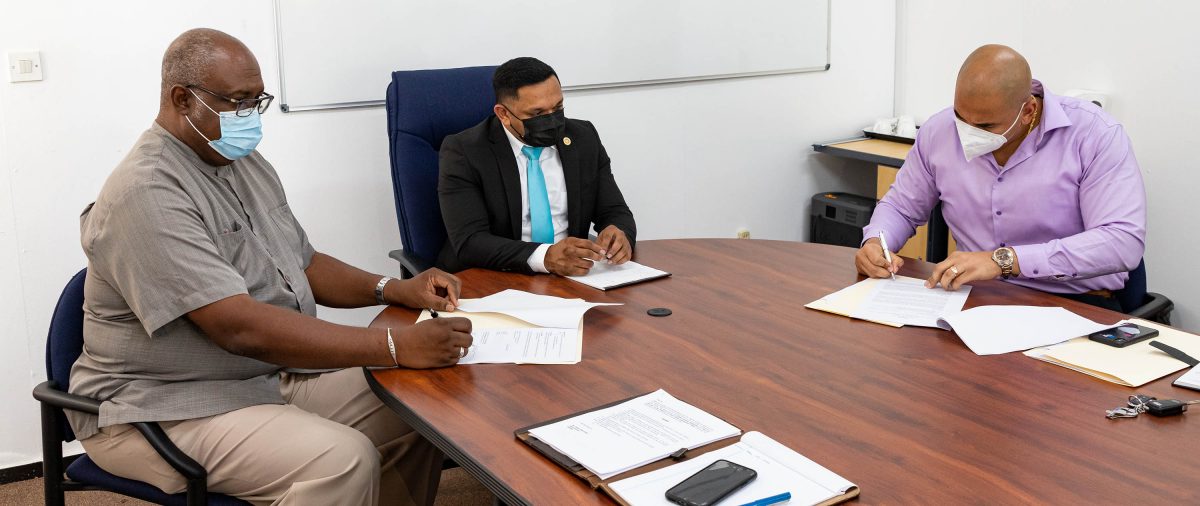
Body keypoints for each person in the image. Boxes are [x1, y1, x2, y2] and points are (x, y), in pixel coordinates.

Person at [67, 28, 473, 506]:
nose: (250, 117)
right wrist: (391, 344)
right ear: (182, 99)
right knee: (342, 460)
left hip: (260, 377)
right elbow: (238, 328)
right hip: (161, 407)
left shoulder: (240, 160)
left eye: (257, 101)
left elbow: (304, 262)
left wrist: (393, 289)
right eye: (238, 101)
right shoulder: (148, 191)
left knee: (422, 403)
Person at [856, 45, 1146, 311]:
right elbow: (900, 207)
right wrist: (875, 244)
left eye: (985, 125)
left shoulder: (1095, 135)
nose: (967, 132)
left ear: (1028, 111)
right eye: (960, 117)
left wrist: (1004, 261)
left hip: (1073, 301)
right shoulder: (938, 131)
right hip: (974, 298)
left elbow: (1121, 242)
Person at [437, 57, 637, 276]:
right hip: (495, 276)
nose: (552, 120)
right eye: (537, 113)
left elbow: (614, 211)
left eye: (558, 107)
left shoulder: (583, 137)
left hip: (573, 276)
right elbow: (470, 241)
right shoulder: (464, 151)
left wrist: (619, 234)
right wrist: (546, 257)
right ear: (503, 114)